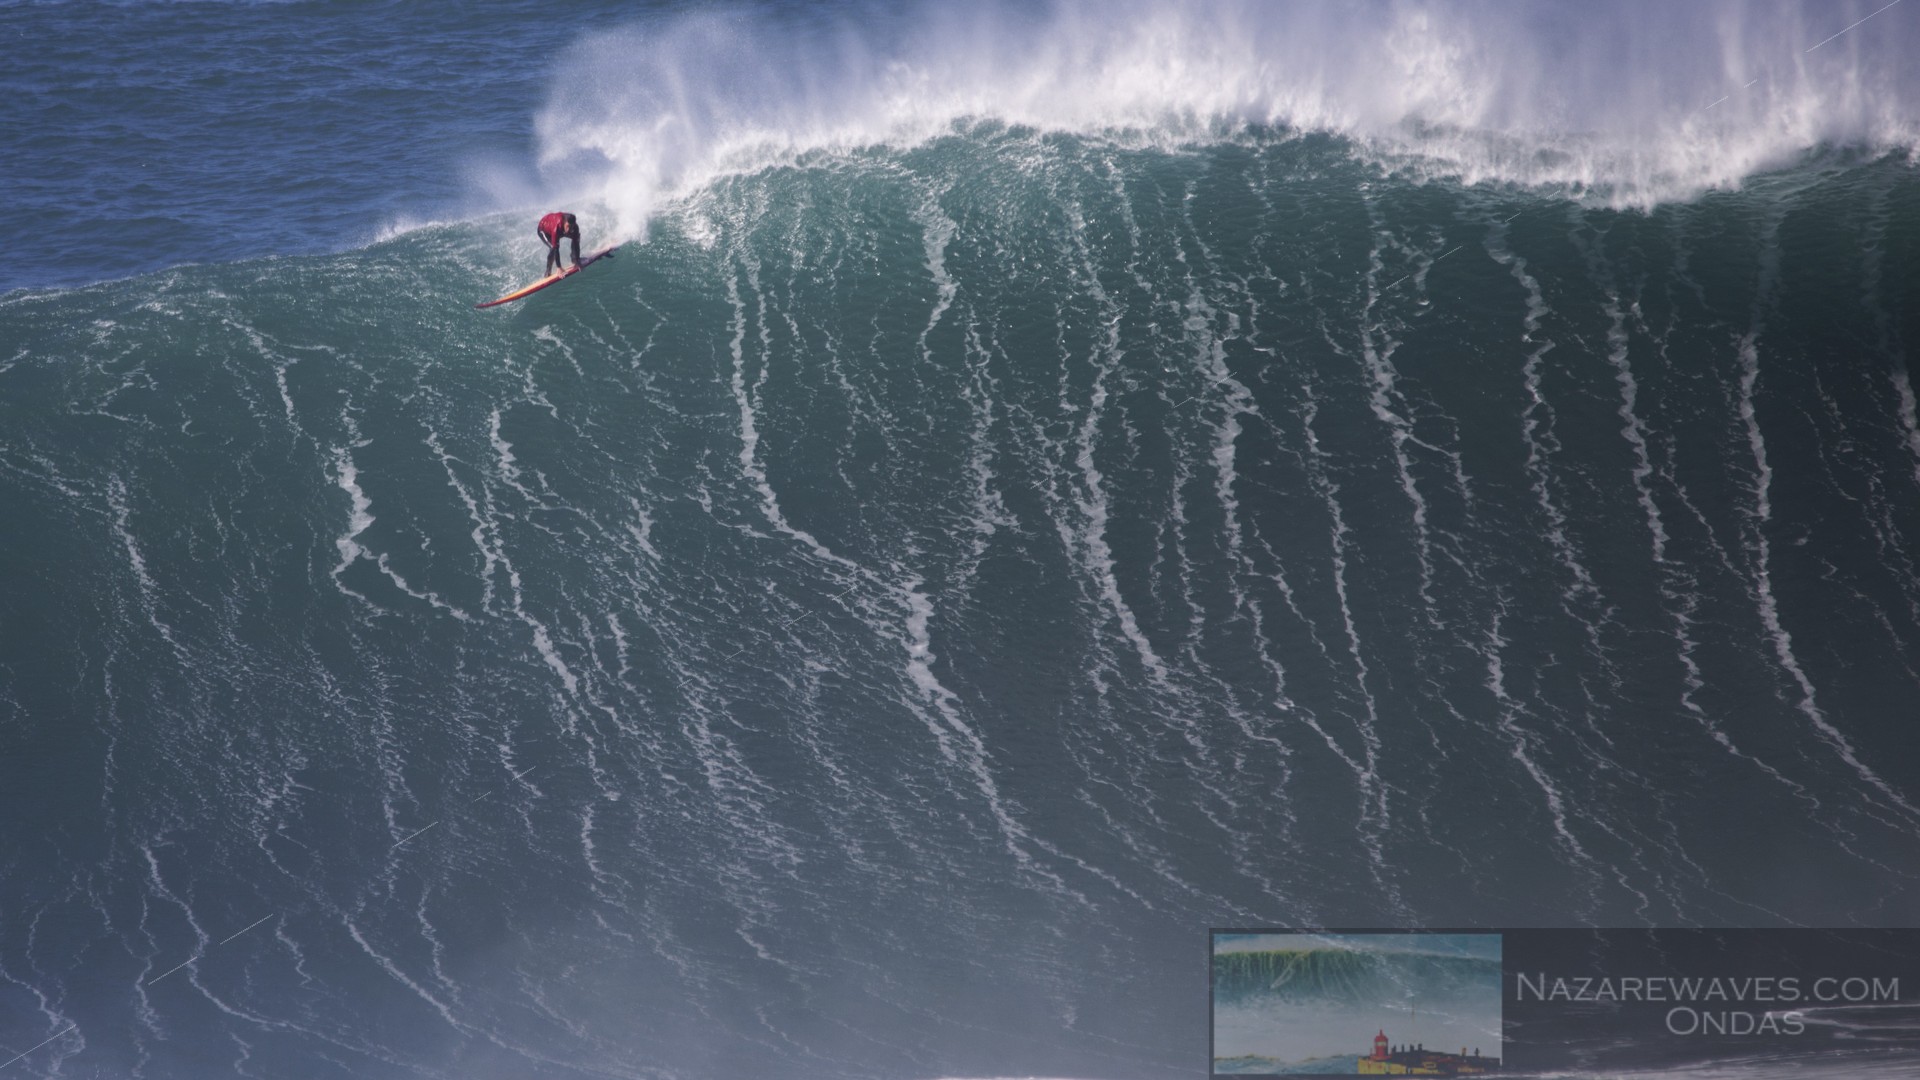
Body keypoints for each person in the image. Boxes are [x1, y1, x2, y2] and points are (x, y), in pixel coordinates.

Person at [537, 212, 582, 276]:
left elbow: (576, 242)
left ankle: (574, 259)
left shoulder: (575, 227)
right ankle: (548, 271)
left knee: (576, 237)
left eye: (571, 227)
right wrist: (559, 267)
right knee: (553, 248)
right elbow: (556, 249)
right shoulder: (557, 228)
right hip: (543, 229)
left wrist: (577, 260)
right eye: (568, 226)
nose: (569, 229)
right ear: (564, 223)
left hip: (556, 226)